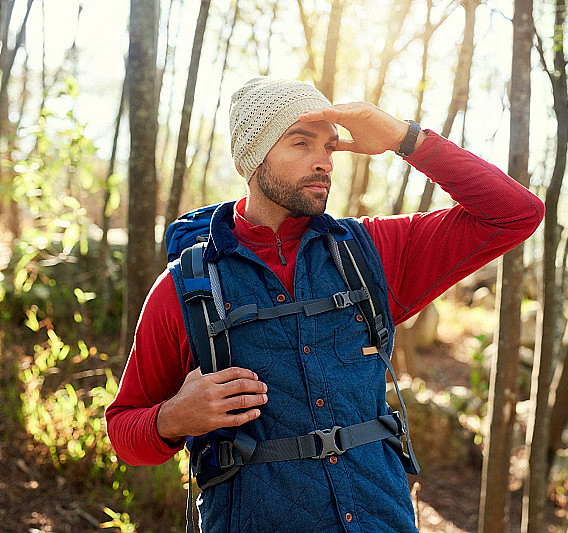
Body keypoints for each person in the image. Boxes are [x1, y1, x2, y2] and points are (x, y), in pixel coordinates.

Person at [106, 77, 544, 532]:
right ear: (254, 158)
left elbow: (516, 213)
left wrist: (403, 138)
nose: (324, 163)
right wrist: (174, 417)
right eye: (301, 143)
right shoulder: (185, 288)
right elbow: (125, 432)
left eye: (330, 147)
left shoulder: (371, 252)